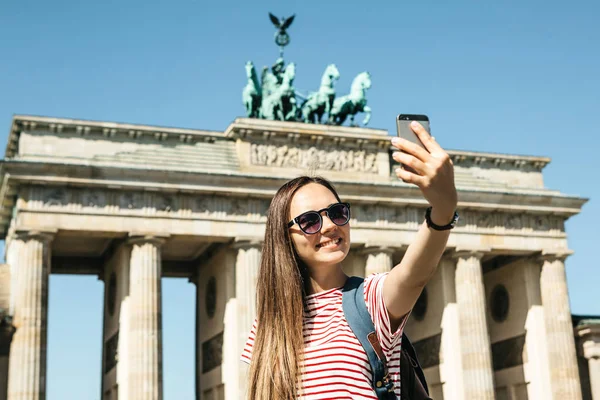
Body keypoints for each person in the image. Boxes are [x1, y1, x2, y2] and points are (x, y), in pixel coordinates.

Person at [241, 121, 458, 399]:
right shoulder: (268, 324)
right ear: (285, 238)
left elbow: (413, 275)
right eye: (310, 221)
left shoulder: (370, 299)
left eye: (337, 212)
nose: (330, 225)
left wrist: (442, 210)